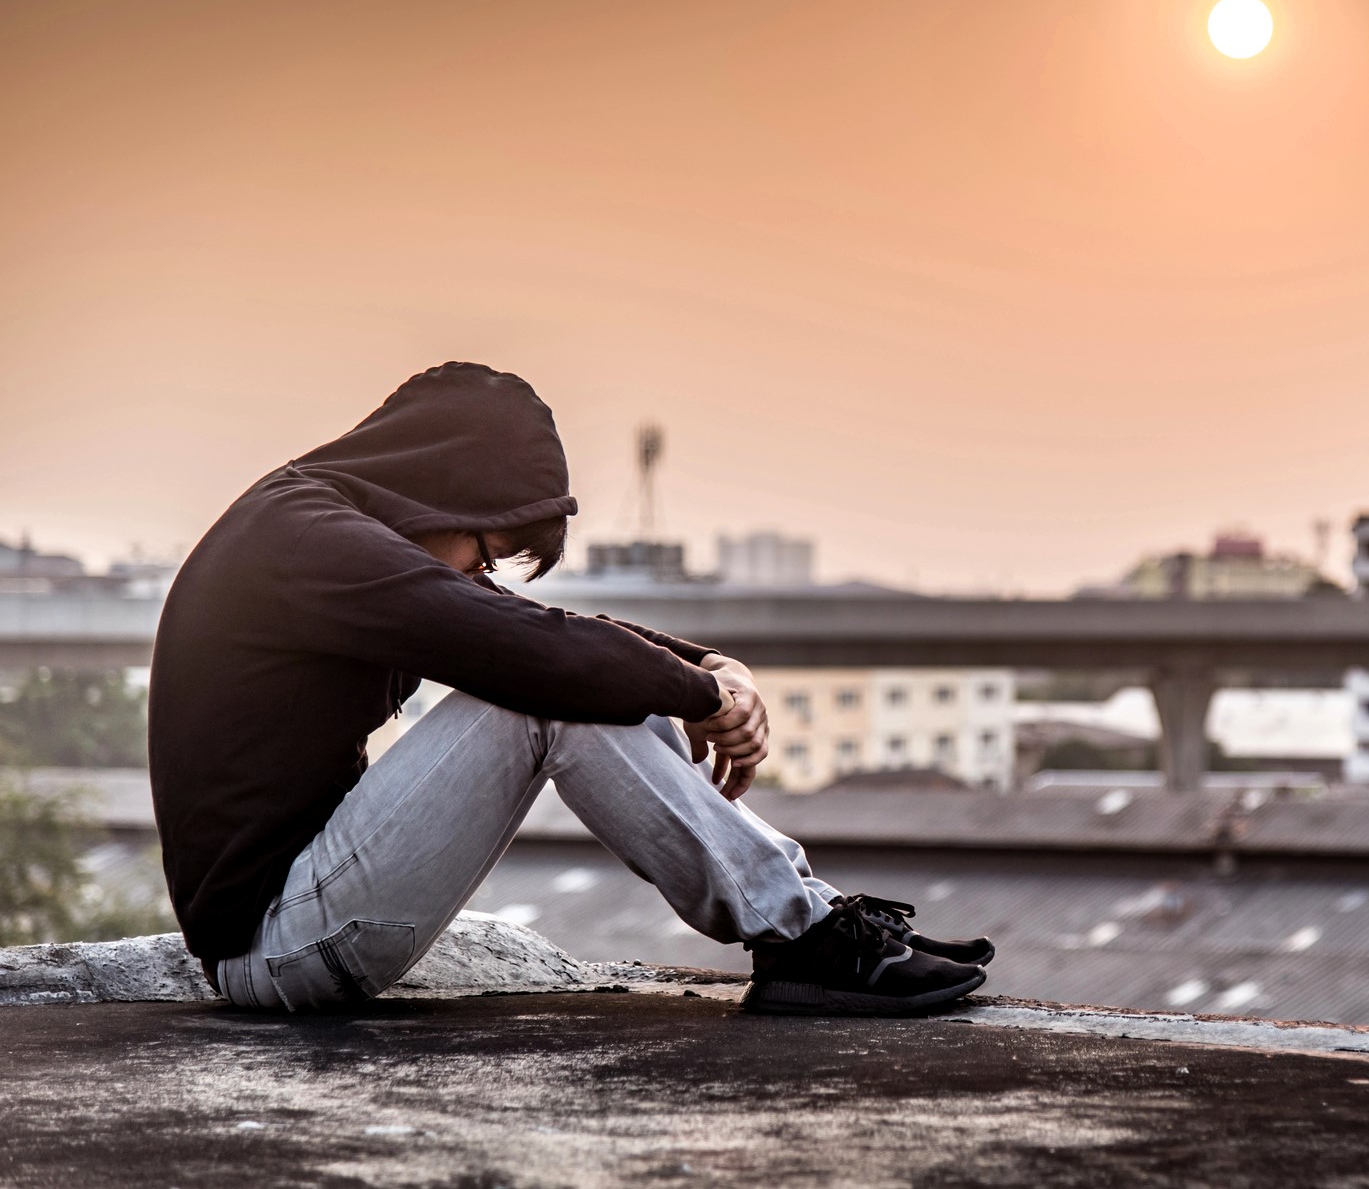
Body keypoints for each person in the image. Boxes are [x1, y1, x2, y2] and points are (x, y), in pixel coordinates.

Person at [148, 361, 991, 1015]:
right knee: (546, 693)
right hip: (274, 943)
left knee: (562, 677)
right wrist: (700, 696)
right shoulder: (303, 539)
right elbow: (529, 647)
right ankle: (807, 933)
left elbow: (529, 628)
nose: (483, 572)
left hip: (303, 912)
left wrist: (707, 668)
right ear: (440, 487)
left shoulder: (325, 533)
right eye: (485, 550)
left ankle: (811, 919)